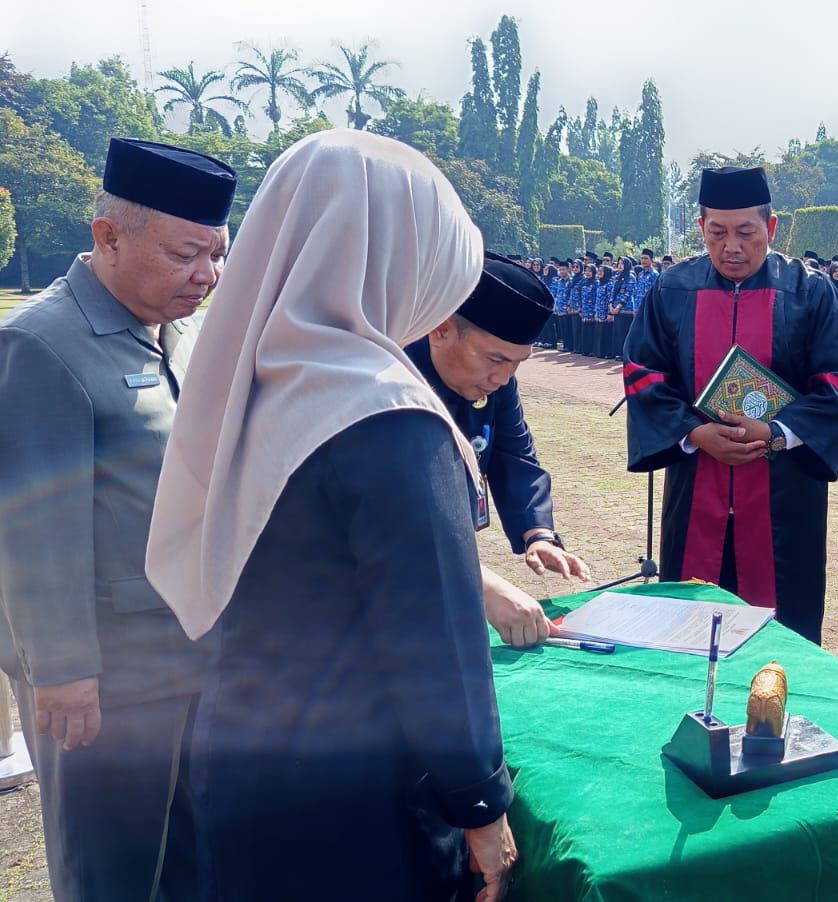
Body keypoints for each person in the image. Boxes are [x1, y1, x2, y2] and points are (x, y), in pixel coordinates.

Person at [143, 130, 518, 900]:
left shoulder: (255, 372)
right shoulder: (386, 414)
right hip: (355, 801)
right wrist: (479, 802)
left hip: (240, 754)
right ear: (397, 255)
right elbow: (435, 640)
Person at [0, 138, 234, 900]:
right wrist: (63, 670)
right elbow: (32, 527)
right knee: (112, 871)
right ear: (108, 237)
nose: (207, 275)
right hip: (105, 680)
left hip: (191, 655)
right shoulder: (43, 344)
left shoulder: (183, 331)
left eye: (217, 254)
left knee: (194, 864)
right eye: (185, 255)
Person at [622, 166, 838, 645]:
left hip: (783, 494)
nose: (731, 246)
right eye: (717, 232)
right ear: (701, 228)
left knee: (781, 639)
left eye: (746, 232)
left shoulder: (809, 291)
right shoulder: (672, 289)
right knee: (691, 630)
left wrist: (776, 433)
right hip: (697, 482)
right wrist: (693, 432)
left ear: (770, 227)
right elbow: (642, 372)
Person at [406, 252, 594, 646]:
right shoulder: (389, 382)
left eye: (517, 364)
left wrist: (537, 533)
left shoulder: (494, 383)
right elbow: (387, 512)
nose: (503, 378)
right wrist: (482, 585)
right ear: (441, 330)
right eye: (495, 359)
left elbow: (514, 453)